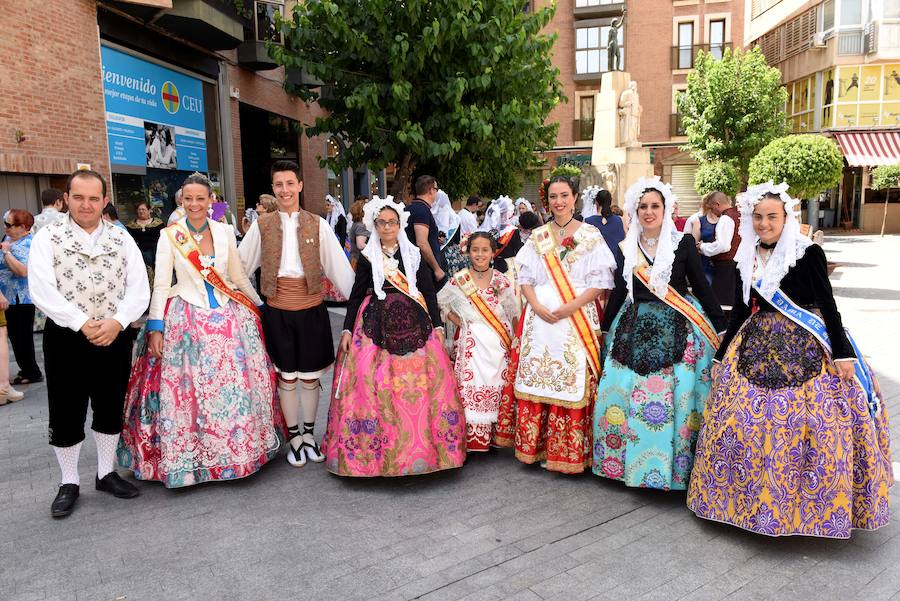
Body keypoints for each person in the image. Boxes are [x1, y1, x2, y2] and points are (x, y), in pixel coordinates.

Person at [687, 181, 892, 538]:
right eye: (759, 217)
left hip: (807, 345)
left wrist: (842, 351)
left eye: (772, 217)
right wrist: (721, 356)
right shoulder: (746, 254)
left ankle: (805, 510)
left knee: (810, 427)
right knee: (741, 423)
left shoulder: (807, 252)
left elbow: (828, 304)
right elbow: (739, 309)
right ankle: (743, 504)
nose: (765, 223)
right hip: (753, 344)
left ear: (786, 217)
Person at [119, 173, 284, 487]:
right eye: (188, 198)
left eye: (200, 198)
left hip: (228, 317)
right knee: (187, 393)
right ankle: (193, 458)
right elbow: (162, 284)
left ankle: (237, 451)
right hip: (186, 320)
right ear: (182, 201)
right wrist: (156, 327)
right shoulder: (171, 236)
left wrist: (259, 307)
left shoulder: (223, 232)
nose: (194, 204)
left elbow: (236, 276)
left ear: (211, 201)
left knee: (234, 388)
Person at [28, 169, 150, 519]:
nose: (86, 204)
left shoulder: (121, 238)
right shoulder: (47, 237)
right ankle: (69, 482)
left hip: (114, 334)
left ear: (104, 201)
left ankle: (105, 472)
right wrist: (82, 323)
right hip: (67, 337)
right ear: (66, 198)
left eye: (94, 198)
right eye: (78, 197)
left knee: (111, 405)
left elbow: (138, 287)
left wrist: (117, 321)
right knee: (67, 408)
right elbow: (42, 289)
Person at [592, 177, 725, 490]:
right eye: (643, 207)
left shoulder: (684, 244)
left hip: (678, 324)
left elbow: (702, 286)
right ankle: (624, 466)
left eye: (655, 206)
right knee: (625, 395)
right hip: (634, 325)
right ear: (635, 212)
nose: (648, 212)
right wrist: (606, 326)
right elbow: (620, 290)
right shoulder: (627, 247)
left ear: (666, 210)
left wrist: (721, 326)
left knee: (676, 398)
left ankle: (674, 472)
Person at [321, 196, 466, 476]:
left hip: (415, 322)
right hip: (375, 323)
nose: (387, 227)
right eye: (382, 223)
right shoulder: (367, 257)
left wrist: (437, 327)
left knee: (425, 384)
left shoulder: (412, 254)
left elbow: (427, 292)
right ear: (374, 225)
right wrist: (348, 329)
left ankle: (426, 451)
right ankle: (371, 456)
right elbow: (355, 295)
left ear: (400, 224)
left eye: (392, 222)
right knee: (368, 379)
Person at [239, 160, 354, 468]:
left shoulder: (318, 224)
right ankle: (294, 440)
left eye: (290, 183)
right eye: (279, 185)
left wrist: (360, 306)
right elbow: (240, 267)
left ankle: (308, 436)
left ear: (300, 186)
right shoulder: (261, 226)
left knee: (310, 379)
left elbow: (338, 269)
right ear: (273, 189)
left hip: (312, 308)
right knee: (287, 379)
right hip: (278, 311)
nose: (285, 190)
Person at [504, 176, 616, 473]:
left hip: (575, 316)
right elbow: (525, 278)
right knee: (540, 375)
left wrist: (569, 307)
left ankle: (570, 454)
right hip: (539, 318)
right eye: (553, 196)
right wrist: (537, 306)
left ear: (575, 197)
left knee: (573, 377)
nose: (559, 202)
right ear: (547, 200)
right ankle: (537, 447)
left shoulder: (590, 234)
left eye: (564, 195)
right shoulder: (538, 235)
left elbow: (600, 283)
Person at [438, 232, 517, 452]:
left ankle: (495, 435)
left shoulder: (501, 279)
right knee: (471, 385)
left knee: (497, 384)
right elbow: (443, 305)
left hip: (498, 343)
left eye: (485, 250)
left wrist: (515, 339)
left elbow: (511, 312)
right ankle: (474, 438)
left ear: (493, 253)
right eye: (475, 250)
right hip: (472, 343)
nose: (480, 254)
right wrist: (462, 323)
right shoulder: (459, 279)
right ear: (468, 252)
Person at [0, 209, 43, 385]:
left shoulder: (28, 244)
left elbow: (23, 271)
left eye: (9, 225)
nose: (5, 228)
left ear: (23, 227)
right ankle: (26, 369)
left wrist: (7, 253)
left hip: (21, 298)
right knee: (15, 337)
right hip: (8, 297)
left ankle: (32, 372)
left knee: (22, 337)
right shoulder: (9, 240)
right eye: (5, 223)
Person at [698, 192, 741, 308]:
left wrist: (702, 247)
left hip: (725, 269)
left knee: (721, 305)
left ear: (717, 204)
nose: (712, 212)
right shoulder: (738, 215)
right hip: (736, 267)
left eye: (711, 208)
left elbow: (723, 246)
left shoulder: (726, 218)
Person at [405, 175, 447, 287]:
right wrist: (437, 269)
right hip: (424, 269)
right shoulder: (422, 210)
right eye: (436, 189)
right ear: (431, 190)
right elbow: (422, 242)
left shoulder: (410, 208)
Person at [479, 196, 523, 274]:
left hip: (488, 265)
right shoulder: (512, 230)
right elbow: (519, 249)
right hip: (507, 266)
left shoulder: (485, 230)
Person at [584, 188, 626, 266]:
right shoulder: (619, 220)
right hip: (617, 262)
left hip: (597, 265)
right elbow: (625, 240)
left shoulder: (588, 221)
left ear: (596, 202)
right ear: (610, 202)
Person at [126, 200, 165, 271]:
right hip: (139, 256)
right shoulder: (131, 225)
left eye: (143, 209)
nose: (141, 211)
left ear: (149, 210)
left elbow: (164, 239)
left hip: (156, 255)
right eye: (139, 209)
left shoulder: (158, 224)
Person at [347, 198, 370, 269]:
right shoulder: (361, 225)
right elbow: (360, 245)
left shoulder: (356, 224)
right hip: (358, 261)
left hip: (355, 258)